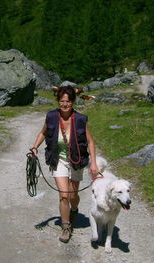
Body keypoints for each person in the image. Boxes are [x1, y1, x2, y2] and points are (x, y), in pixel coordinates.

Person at [31, 85, 100, 243]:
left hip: (76, 161)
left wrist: (94, 164)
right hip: (59, 160)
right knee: (64, 195)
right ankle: (66, 226)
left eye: (68, 101)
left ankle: (74, 209)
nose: (65, 104)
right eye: (62, 101)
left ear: (73, 102)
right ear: (58, 101)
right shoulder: (51, 117)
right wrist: (35, 147)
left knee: (73, 196)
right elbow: (43, 132)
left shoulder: (81, 119)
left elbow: (90, 142)